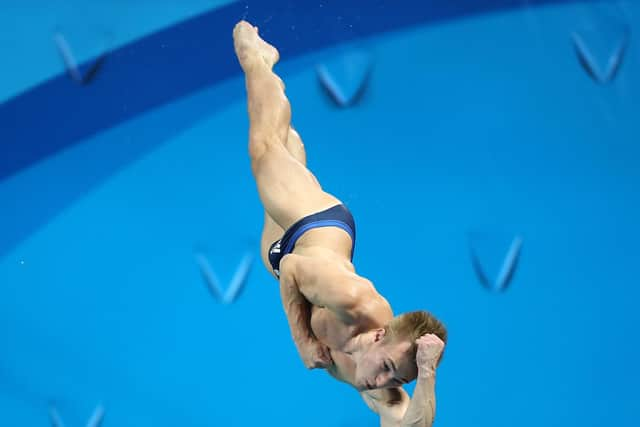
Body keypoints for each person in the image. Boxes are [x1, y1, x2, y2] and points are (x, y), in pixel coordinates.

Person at [233, 20, 447, 426]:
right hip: (314, 227)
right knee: (265, 148)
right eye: (387, 368)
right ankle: (258, 59)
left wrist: (427, 375)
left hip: (282, 258)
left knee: (287, 153)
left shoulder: (377, 376)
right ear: (380, 335)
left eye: (396, 377)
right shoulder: (354, 301)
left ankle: (293, 154)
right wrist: (303, 342)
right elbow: (296, 270)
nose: (379, 382)